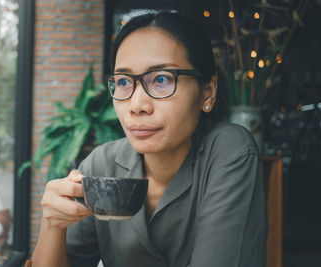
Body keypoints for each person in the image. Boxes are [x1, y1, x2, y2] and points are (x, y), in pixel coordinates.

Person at [31, 11, 267, 267]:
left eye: (162, 79)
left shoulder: (228, 152)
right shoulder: (102, 164)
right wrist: (52, 225)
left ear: (207, 92)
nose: (137, 105)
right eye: (123, 81)